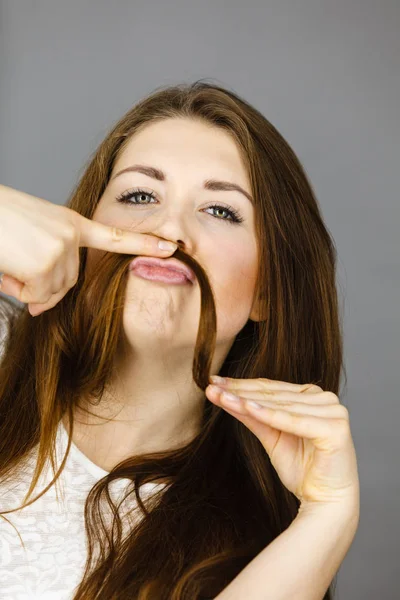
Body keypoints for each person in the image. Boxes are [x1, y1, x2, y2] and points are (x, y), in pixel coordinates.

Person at [0, 81, 360, 600]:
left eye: (220, 211)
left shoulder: (258, 561)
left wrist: (330, 514)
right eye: (139, 195)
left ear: (269, 294)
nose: (168, 228)